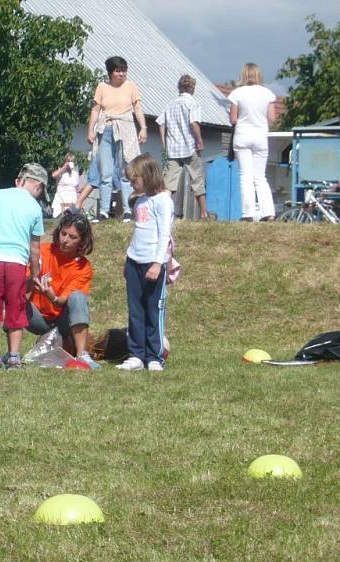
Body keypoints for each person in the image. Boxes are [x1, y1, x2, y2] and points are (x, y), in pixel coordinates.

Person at [0, 163, 46, 371]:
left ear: (19, 181)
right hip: (16, 262)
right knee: (16, 307)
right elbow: (35, 247)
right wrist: (34, 273)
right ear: (38, 185)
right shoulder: (35, 207)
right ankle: (14, 358)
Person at [116, 154, 174, 372]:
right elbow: (138, 233)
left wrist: (158, 264)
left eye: (135, 179)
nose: (132, 183)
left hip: (153, 263)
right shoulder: (140, 200)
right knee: (135, 310)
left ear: (148, 175)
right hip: (135, 262)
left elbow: (164, 235)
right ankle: (136, 355)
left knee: (153, 310)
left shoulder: (163, 201)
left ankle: (154, 356)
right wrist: (128, 261)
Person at [28, 209, 99, 368]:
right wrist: (30, 278)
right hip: (38, 318)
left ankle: (81, 355)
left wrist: (51, 296)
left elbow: (61, 302)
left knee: (78, 297)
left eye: (72, 237)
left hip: (63, 320)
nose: (65, 240)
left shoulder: (83, 267)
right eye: (63, 233)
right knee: (15, 299)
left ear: (82, 241)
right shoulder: (43, 251)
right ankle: (12, 355)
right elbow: (24, 283)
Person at [86, 56, 146, 222]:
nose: (121, 74)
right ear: (111, 73)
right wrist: (90, 130)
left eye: (124, 70)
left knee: (125, 171)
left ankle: (127, 210)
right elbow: (95, 110)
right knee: (106, 173)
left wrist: (143, 127)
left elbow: (137, 108)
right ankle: (104, 211)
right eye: (118, 71)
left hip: (125, 128)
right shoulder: (102, 87)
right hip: (106, 128)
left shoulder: (131, 86)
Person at [227, 63, 276, 221]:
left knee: (245, 176)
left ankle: (247, 213)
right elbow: (272, 119)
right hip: (260, 137)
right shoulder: (267, 94)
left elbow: (233, 119)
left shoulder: (237, 93)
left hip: (242, 136)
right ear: (257, 75)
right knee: (260, 177)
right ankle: (268, 212)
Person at [157, 74, 208, 219]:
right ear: (192, 88)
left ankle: (164, 214)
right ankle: (204, 214)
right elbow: (194, 123)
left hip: (173, 149)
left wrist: (164, 144)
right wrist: (199, 141)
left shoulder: (170, 104)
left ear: (179, 87)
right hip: (189, 147)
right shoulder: (192, 103)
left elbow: (161, 124)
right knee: (197, 180)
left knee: (169, 184)